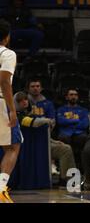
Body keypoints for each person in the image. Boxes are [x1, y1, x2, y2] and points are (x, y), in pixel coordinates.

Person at [27, 77, 76, 186]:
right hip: (26, 140)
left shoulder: (47, 103)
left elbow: (52, 122)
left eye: (37, 86)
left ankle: (66, 180)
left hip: (44, 138)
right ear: (28, 89)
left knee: (66, 149)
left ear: (41, 88)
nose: (35, 89)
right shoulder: (23, 102)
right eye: (32, 86)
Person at [0, 19, 22, 203]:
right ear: (6, 37)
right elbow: (5, 80)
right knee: (13, 146)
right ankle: (0, 190)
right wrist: (13, 110)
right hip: (0, 103)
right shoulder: (7, 53)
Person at [56, 88, 89, 166]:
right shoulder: (61, 109)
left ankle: (81, 166)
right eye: (71, 95)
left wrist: (68, 122)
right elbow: (60, 121)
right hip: (65, 133)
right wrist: (76, 120)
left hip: (79, 133)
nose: (73, 97)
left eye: (75, 95)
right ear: (67, 97)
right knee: (64, 138)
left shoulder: (83, 110)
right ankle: (63, 166)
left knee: (83, 139)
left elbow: (85, 124)